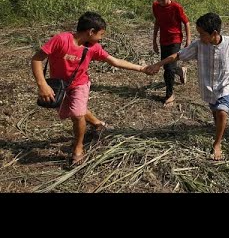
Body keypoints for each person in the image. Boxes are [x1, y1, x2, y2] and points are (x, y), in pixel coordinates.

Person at [31, 12, 150, 165]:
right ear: (90, 31)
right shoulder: (61, 40)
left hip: (80, 84)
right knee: (75, 109)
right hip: (61, 85)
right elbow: (37, 59)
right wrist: (42, 85)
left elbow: (114, 61)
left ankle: (78, 147)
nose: (101, 38)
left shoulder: (94, 47)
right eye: (101, 34)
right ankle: (98, 124)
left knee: (77, 114)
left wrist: (141, 68)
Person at [146, 13, 229, 160]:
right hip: (208, 86)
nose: (200, 37)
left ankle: (217, 144)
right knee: (216, 112)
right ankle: (218, 127)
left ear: (214, 33)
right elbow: (178, 55)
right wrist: (158, 64)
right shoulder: (199, 45)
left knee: (222, 111)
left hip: (226, 85)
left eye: (202, 34)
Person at [152, 0, 191, 107]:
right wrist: (154, 40)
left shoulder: (176, 7)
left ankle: (169, 95)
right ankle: (180, 71)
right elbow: (157, 23)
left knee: (168, 69)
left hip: (175, 39)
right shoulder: (156, 6)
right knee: (168, 66)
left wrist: (188, 40)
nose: (160, 2)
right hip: (163, 40)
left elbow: (186, 22)